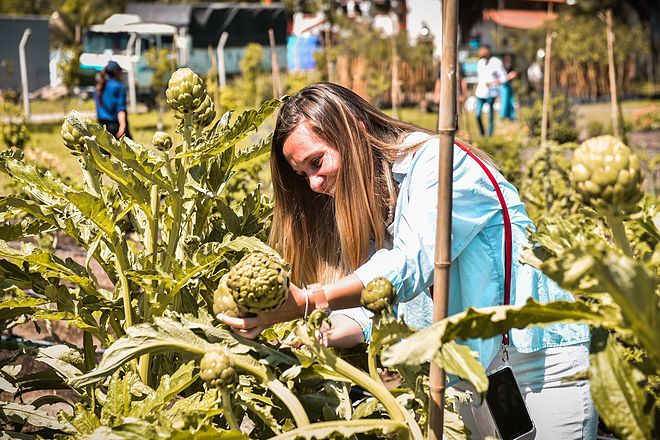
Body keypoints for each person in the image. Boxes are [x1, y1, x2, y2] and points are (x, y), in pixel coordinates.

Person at [218, 83, 597, 438]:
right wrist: (313, 333)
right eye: (303, 175)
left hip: (539, 361)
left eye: (317, 162)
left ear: (355, 129)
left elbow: (412, 265)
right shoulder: (373, 198)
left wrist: (308, 301)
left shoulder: (440, 164)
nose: (313, 183)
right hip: (465, 378)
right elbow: (374, 306)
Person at [474, 45, 508, 137]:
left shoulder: (496, 62)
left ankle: (490, 135)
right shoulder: (480, 63)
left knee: (490, 117)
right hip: (480, 93)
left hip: (491, 93)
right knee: (477, 114)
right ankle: (482, 133)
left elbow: (504, 77)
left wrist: (493, 82)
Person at [94, 60, 131, 139]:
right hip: (116, 125)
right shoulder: (119, 87)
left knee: (103, 151)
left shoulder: (99, 87)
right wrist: (122, 126)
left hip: (102, 126)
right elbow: (121, 109)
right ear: (116, 71)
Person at [499, 54, 518, 121]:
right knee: (504, 101)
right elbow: (500, 78)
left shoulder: (511, 67)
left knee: (511, 101)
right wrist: (509, 76)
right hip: (503, 85)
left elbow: (515, 74)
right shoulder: (501, 67)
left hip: (509, 85)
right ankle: (502, 117)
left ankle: (512, 116)